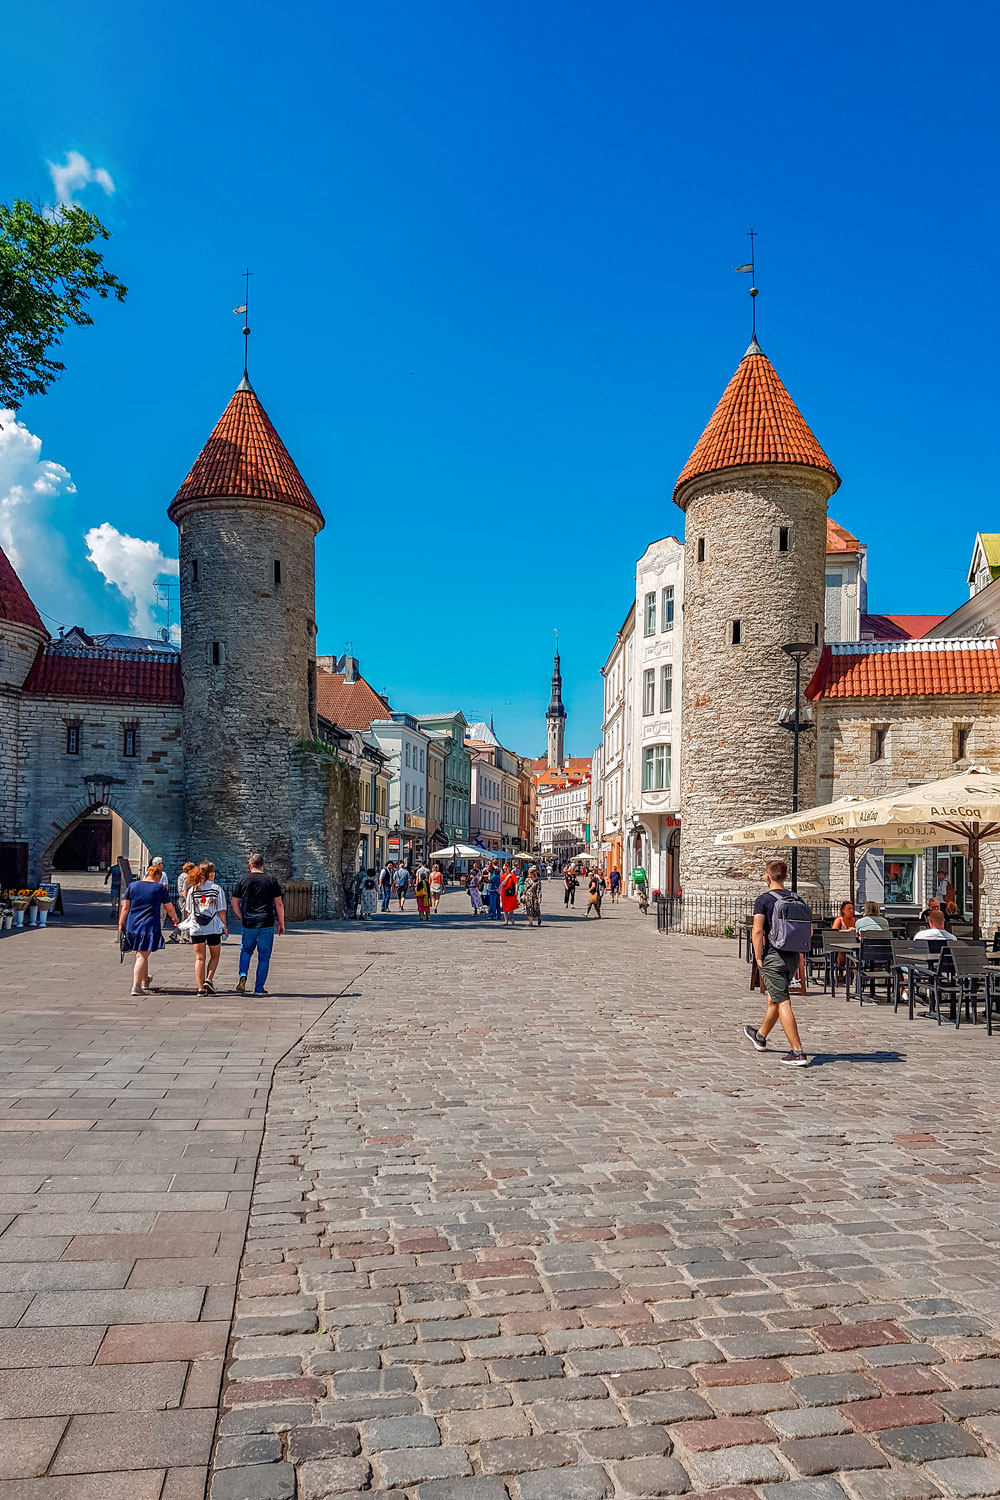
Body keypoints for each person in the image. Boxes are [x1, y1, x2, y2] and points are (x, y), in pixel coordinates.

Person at [743, 859, 810, 1067]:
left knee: (782, 1001)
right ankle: (760, 1036)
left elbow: (757, 930)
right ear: (785, 876)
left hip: (774, 955)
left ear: (767, 877)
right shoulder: (797, 898)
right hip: (793, 955)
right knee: (774, 996)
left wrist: (758, 955)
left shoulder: (763, 900)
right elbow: (808, 928)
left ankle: (798, 1052)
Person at [119, 864, 179, 996]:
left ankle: (145, 980)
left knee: (141, 953)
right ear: (158, 876)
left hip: (132, 924)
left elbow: (125, 907)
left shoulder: (133, 886)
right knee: (142, 954)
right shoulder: (159, 888)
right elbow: (169, 907)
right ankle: (136, 987)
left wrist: (121, 923)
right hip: (149, 925)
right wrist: (175, 918)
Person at [232, 854, 285, 995]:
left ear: (250, 865)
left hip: (249, 923)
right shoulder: (271, 880)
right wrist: (281, 922)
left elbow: (234, 902)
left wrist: (242, 916)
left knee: (246, 951)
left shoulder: (244, 880)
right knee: (264, 957)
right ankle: (259, 988)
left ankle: (242, 974)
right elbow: (278, 903)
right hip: (266, 923)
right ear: (263, 864)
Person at [184, 861, 228, 996]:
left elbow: (188, 910)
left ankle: (200, 989)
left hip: (197, 927)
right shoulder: (216, 889)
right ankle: (208, 979)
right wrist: (224, 926)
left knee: (199, 958)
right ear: (212, 874)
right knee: (215, 956)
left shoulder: (193, 889)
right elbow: (221, 910)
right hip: (213, 926)